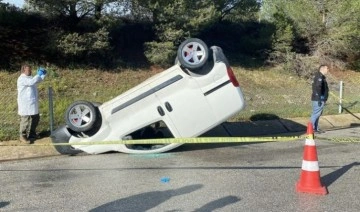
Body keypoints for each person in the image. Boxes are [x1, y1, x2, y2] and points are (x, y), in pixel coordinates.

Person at [17, 64, 47, 143]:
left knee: (36, 118)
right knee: (25, 120)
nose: (30, 71)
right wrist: (38, 74)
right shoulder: (21, 78)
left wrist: (43, 74)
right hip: (25, 103)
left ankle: (32, 134)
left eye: (30, 69)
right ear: (24, 70)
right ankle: (22, 136)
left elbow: (38, 80)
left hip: (32, 103)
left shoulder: (30, 77)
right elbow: (31, 82)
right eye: (28, 70)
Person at [310, 64, 329, 133]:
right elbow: (317, 88)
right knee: (315, 114)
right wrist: (320, 98)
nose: (328, 70)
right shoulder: (319, 77)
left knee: (318, 114)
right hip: (318, 99)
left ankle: (315, 128)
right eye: (327, 68)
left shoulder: (321, 77)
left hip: (320, 98)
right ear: (322, 69)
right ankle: (311, 129)